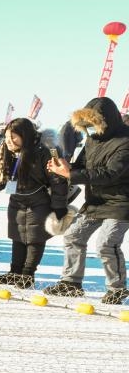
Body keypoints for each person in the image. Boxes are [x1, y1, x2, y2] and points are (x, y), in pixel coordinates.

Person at [44, 97, 129, 304]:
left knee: (106, 244)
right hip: (95, 202)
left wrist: (70, 174)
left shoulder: (126, 141)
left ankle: (116, 289)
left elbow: (110, 173)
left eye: (92, 125)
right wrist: (64, 168)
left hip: (120, 203)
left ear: (105, 121)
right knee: (73, 235)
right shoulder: (93, 140)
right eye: (86, 126)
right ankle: (71, 283)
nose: (89, 130)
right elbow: (82, 166)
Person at [0, 118, 69, 288]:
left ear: (25, 136)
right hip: (17, 202)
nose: (9, 141)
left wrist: (59, 206)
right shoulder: (6, 151)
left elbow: (58, 181)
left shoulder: (44, 151)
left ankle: (27, 274)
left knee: (35, 239)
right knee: (17, 237)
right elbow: (0, 179)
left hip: (39, 202)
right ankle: (15, 272)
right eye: (7, 137)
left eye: (14, 137)